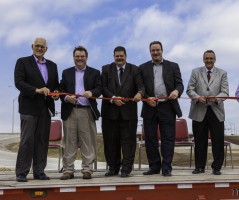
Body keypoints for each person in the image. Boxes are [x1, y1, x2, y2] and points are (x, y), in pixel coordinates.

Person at [14, 37, 59, 182]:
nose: (39, 48)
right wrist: (36, 90)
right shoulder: (22, 62)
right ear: (32, 46)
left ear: (46, 49)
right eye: (37, 46)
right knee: (27, 140)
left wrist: (56, 93)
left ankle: (39, 171)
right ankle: (22, 172)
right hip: (28, 107)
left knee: (42, 141)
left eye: (42, 46)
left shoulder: (52, 65)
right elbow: (19, 82)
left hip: (45, 108)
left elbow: (55, 85)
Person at [139, 41, 184, 177]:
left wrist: (176, 91)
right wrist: (146, 98)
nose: (155, 52)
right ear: (150, 52)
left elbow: (180, 84)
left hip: (167, 106)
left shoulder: (173, 66)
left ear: (162, 50)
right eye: (153, 50)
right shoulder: (142, 68)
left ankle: (166, 167)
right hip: (149, 106)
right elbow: (140, 87)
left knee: (168, 138)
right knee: (150, 139)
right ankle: (154, 166)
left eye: (157, 50)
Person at [101, 46, 145, 178]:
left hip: (128, 113)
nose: (119, 58)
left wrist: (140, 93)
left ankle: (126, 169)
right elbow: (102, 87)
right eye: (117, 56)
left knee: (128, 142)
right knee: (110, 142)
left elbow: (141, 86)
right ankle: (113, 168)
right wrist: (113, 98)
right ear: (113, 56)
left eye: (121, 56)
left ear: (126, 56)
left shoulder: (135, 69)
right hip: (110, 112)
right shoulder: (105, 69)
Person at [59, 46, 102, 180]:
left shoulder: (95, 72)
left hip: (86, 111)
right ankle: (68, 170)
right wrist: (66, 97)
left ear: (86, 57)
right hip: (70, 111)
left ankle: (87, 169)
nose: (79, 59)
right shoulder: (66, 73)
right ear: (73, 58)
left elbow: (99, 88)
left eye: (82, 56)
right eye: (77, 56)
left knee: (87, 141)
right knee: (69, 141)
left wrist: (92, 92)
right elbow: (61, 89)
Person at [186, 50, 229, 175]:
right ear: (203, 59)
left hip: (216, 111)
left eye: (211, 58)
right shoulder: (195, 72)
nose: (209, 60)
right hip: (199, 110)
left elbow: (225, 92)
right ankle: (199, 166)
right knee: (199, 141)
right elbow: (189, 89)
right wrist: (197, 97)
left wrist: (216, 98)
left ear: (214, 59)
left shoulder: (222, 73)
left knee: (218, 141)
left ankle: (217, 167)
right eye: (206, 58)